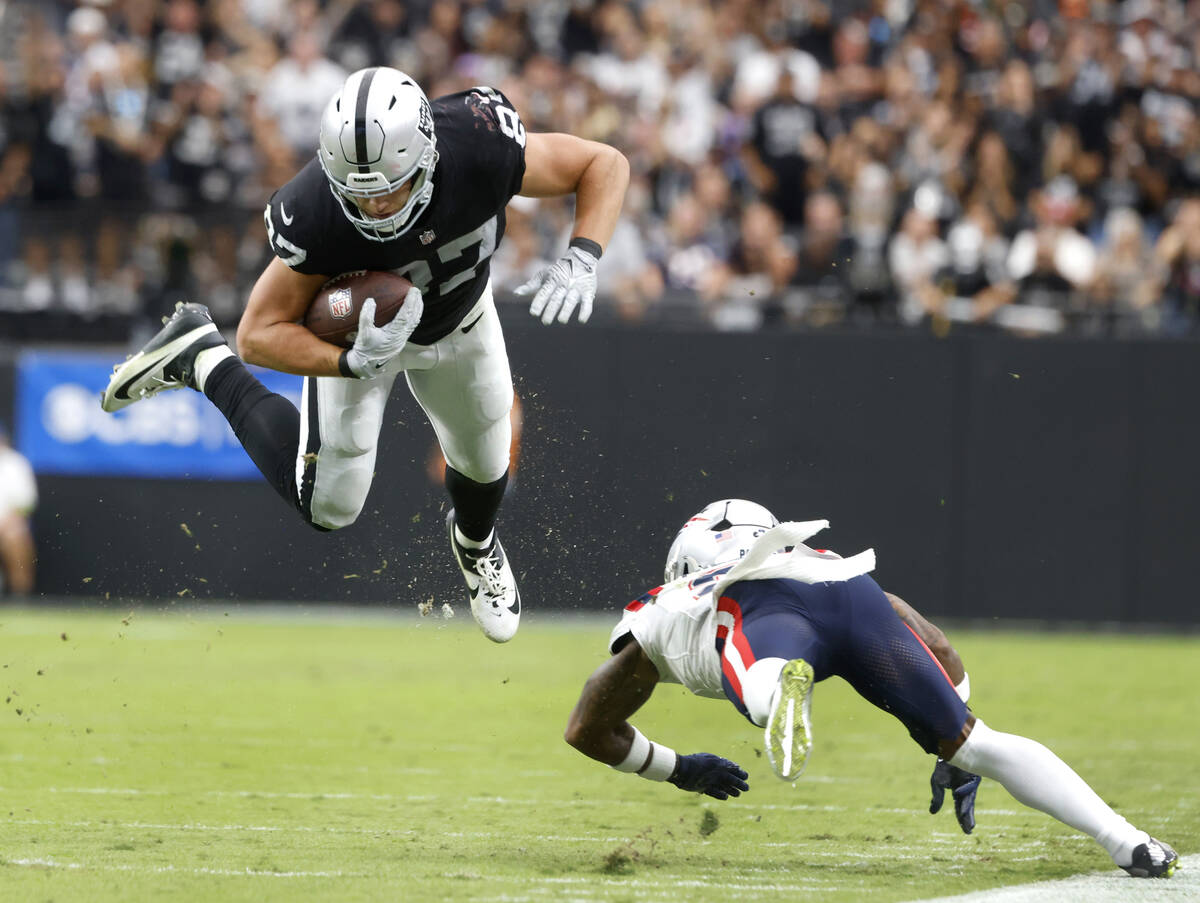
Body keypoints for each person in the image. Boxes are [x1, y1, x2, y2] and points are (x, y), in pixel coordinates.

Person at [100, 66, 629, 643]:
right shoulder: (315, 209)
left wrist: (583, 254)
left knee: (487, 458)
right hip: (359, 338)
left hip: (459, 318)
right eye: (360, 193)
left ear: (424, 156)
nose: (375, 207)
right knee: (329, 506)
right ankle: (200, 355)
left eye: (389, 188)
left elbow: (603, 163)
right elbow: (257, 333)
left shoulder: (480, 142)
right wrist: (347, 362)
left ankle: (475, 543)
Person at [564, 499, 1179, 879]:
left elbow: (586, 727)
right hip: (849, 594)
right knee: (978, 744)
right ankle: (1128, 842)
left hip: (765, 618)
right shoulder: (820, 557)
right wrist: (951, 743)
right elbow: (938, 646)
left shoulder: (668, 610)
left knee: (763, 681)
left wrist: (677, 769)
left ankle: (780, 691)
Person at [0, 421, 37, 597]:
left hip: (8, 524)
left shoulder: (16, 464)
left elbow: (26, 502)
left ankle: (19, 597)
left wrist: (6, 524)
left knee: (14, 535)